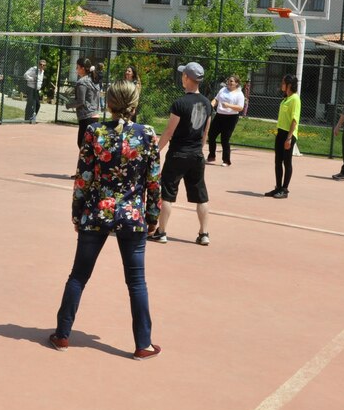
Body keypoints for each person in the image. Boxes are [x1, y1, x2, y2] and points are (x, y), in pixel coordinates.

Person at [50, 80, 162, 360]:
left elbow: (83, 176)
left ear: (109, 103)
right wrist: (152, 216)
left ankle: (62, 335)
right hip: (132, 215)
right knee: (136, 282)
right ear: (134, 104)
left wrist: (77, 213)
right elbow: (153, 181)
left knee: (78, 275)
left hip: (96, 210)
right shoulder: (147, 134)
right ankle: (143, 344)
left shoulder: (94, 132)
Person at [150, 62, 212, 246]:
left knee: (167, 193)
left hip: (178, 154)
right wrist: (198, 150)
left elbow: (168, 132)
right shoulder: (207, 103)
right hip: (196, 155)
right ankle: (204, 234)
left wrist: (155, 151)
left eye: (183, 75)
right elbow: (205, 134)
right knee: (200, 195)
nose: (181, 78)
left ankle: (161, 232)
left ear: (187, 78)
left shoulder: (179, 103)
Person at [265, 74, 301, 199]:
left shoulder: (295, 99)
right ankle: (278, 187)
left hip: (288, 134)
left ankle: (285, 190)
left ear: (289, 85)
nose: (282, 84)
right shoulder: (286, 98)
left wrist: (289, 137)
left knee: (287, 162)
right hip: (280, 132)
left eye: (283, 82)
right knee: (277, 161)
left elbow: (294, 120)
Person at [207, 75, 245, 166]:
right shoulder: (223, 90)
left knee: (225, 139)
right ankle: (212, 155)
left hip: (231, 118)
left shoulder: (239, 94)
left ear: (236, 83)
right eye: (229, 80)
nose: (229, 82)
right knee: (211, 135)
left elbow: (240, 108)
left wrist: (228, 105)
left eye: (232, 81)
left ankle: (226, 161)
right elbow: (216, 99)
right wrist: (210, 105)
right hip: (219, 116)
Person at [70, 57, 103, 150]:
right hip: (95, 115)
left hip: (86, 116)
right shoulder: (95, 80)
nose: (76, 70)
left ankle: (86, 164)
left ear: (82, 68)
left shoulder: (82, 82)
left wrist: (69, 105)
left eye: (77, 67)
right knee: (91, 145)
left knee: (82, 143)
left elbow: (81, 101)